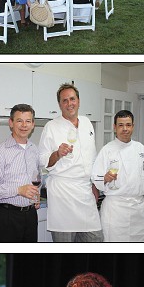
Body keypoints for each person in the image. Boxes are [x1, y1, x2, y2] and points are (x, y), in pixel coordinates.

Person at [38, 84, 103, 242]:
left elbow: (91, 157)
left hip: (85, 192)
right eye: (64, 100)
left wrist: (94, 185)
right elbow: (42, 160)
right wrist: (57, 154)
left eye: (72, 99)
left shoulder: (87, 123)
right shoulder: (51, 127)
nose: (69, 104)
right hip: (63, 195)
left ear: (79, 101)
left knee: (96, 240)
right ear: (60, 104)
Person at [92, 110, 144, 242]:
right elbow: (95, 177)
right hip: (116, 210)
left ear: (133, 126)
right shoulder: (107, 150)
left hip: (138, 209)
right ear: (115, 127)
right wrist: (105, 178)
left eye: (128, 125)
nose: (125, 129)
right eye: (120, 125)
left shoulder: (140, 148)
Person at [0, 104, 40, 242]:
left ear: (33, 124)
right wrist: (18, 190)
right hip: (6, 217)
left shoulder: (34, 149)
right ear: (11, 123)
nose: (24, 125)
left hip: (30, 216)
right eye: (19, 120)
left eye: (28, 121)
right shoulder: (0, 151)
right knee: (6, 262)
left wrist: (36, 193)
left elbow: (36, 178)